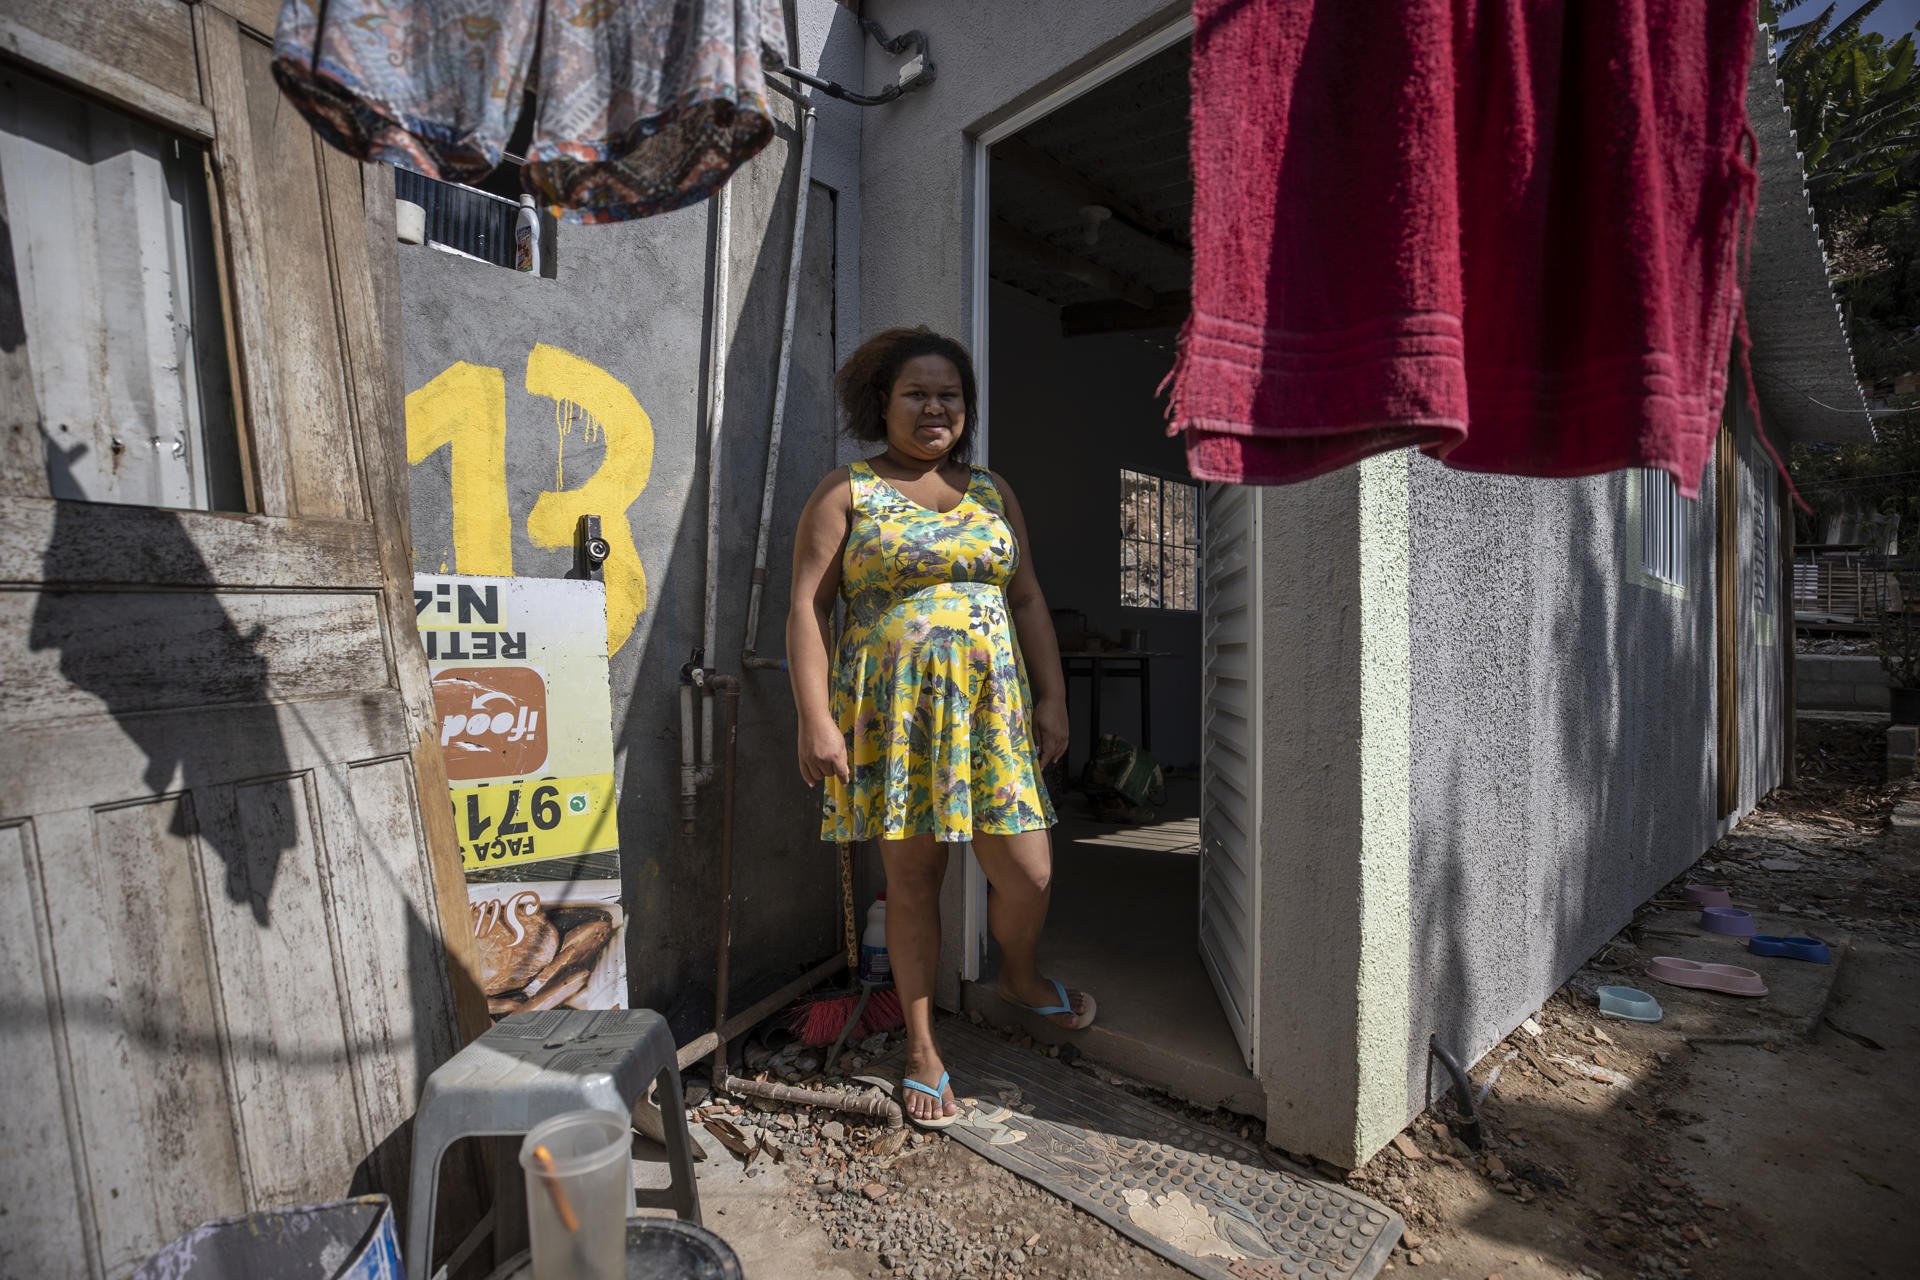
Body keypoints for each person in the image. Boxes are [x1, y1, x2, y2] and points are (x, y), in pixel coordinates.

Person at [786, 327, 1097, 1128]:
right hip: (898, 724)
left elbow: (1026, 597)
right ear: (882, 403)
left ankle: (1018, 976)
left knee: (1028, 872)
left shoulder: (992, 491)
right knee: (915, 884)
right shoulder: (846, 492)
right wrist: (815, 719)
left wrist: (1053, 697)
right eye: (917, 394)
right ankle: (922, 1050)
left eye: (949, 395)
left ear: (967, 407)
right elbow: (808, 609)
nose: (935, 408)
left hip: (991, 717)